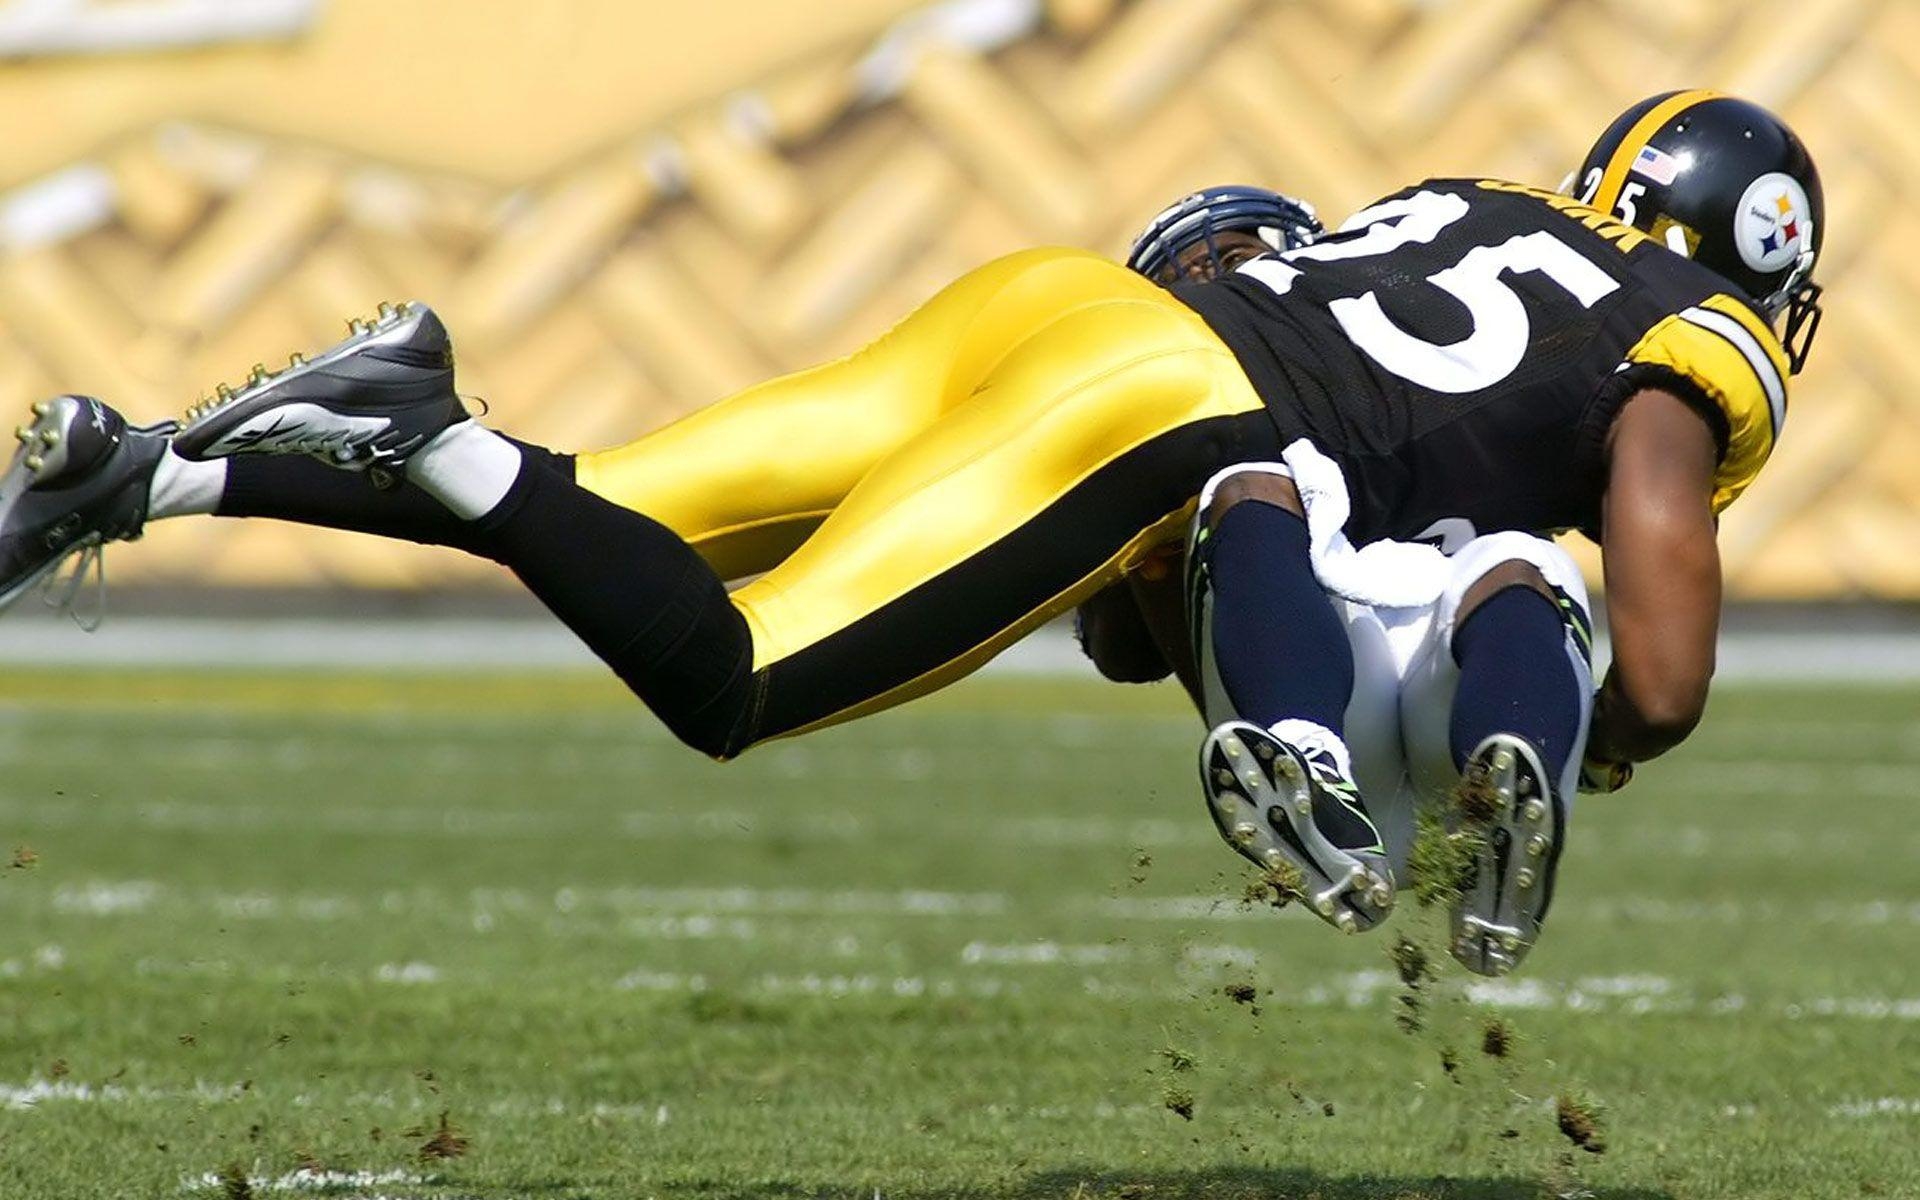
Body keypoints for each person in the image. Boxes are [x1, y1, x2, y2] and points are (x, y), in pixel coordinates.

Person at [0, 91, 1821, 977]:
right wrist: (1619, 729)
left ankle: (149, 474)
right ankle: (433, 432)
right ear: (1753, 259)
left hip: (1069, 308)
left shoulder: (1474, 204)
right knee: (737, 671)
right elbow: (1659, 628)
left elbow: (1136, 609)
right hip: (1185, 409)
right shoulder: (1681, 339)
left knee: (621, 509)